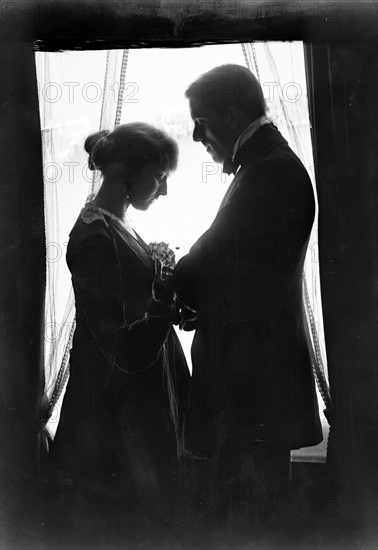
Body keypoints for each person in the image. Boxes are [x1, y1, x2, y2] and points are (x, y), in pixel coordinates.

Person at [173, 64, 323, 536]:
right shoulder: (268, 164)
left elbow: (209, 259)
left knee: (246, 522)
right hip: (255, 381)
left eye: (201, 121)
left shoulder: (269, 171)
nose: (196, 136)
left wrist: (167, 279)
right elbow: (242, 270)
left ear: (233, 114)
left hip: (252, 385)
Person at [51, 122, 190, 527]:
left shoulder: (116, 222)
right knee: (125, 520)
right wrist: (165, 297)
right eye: (159, 177)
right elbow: (117, 346)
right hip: (114, 405)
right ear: (126, 171)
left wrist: (168, 296)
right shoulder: (95, 236)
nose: (163, 190)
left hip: (140, 393)